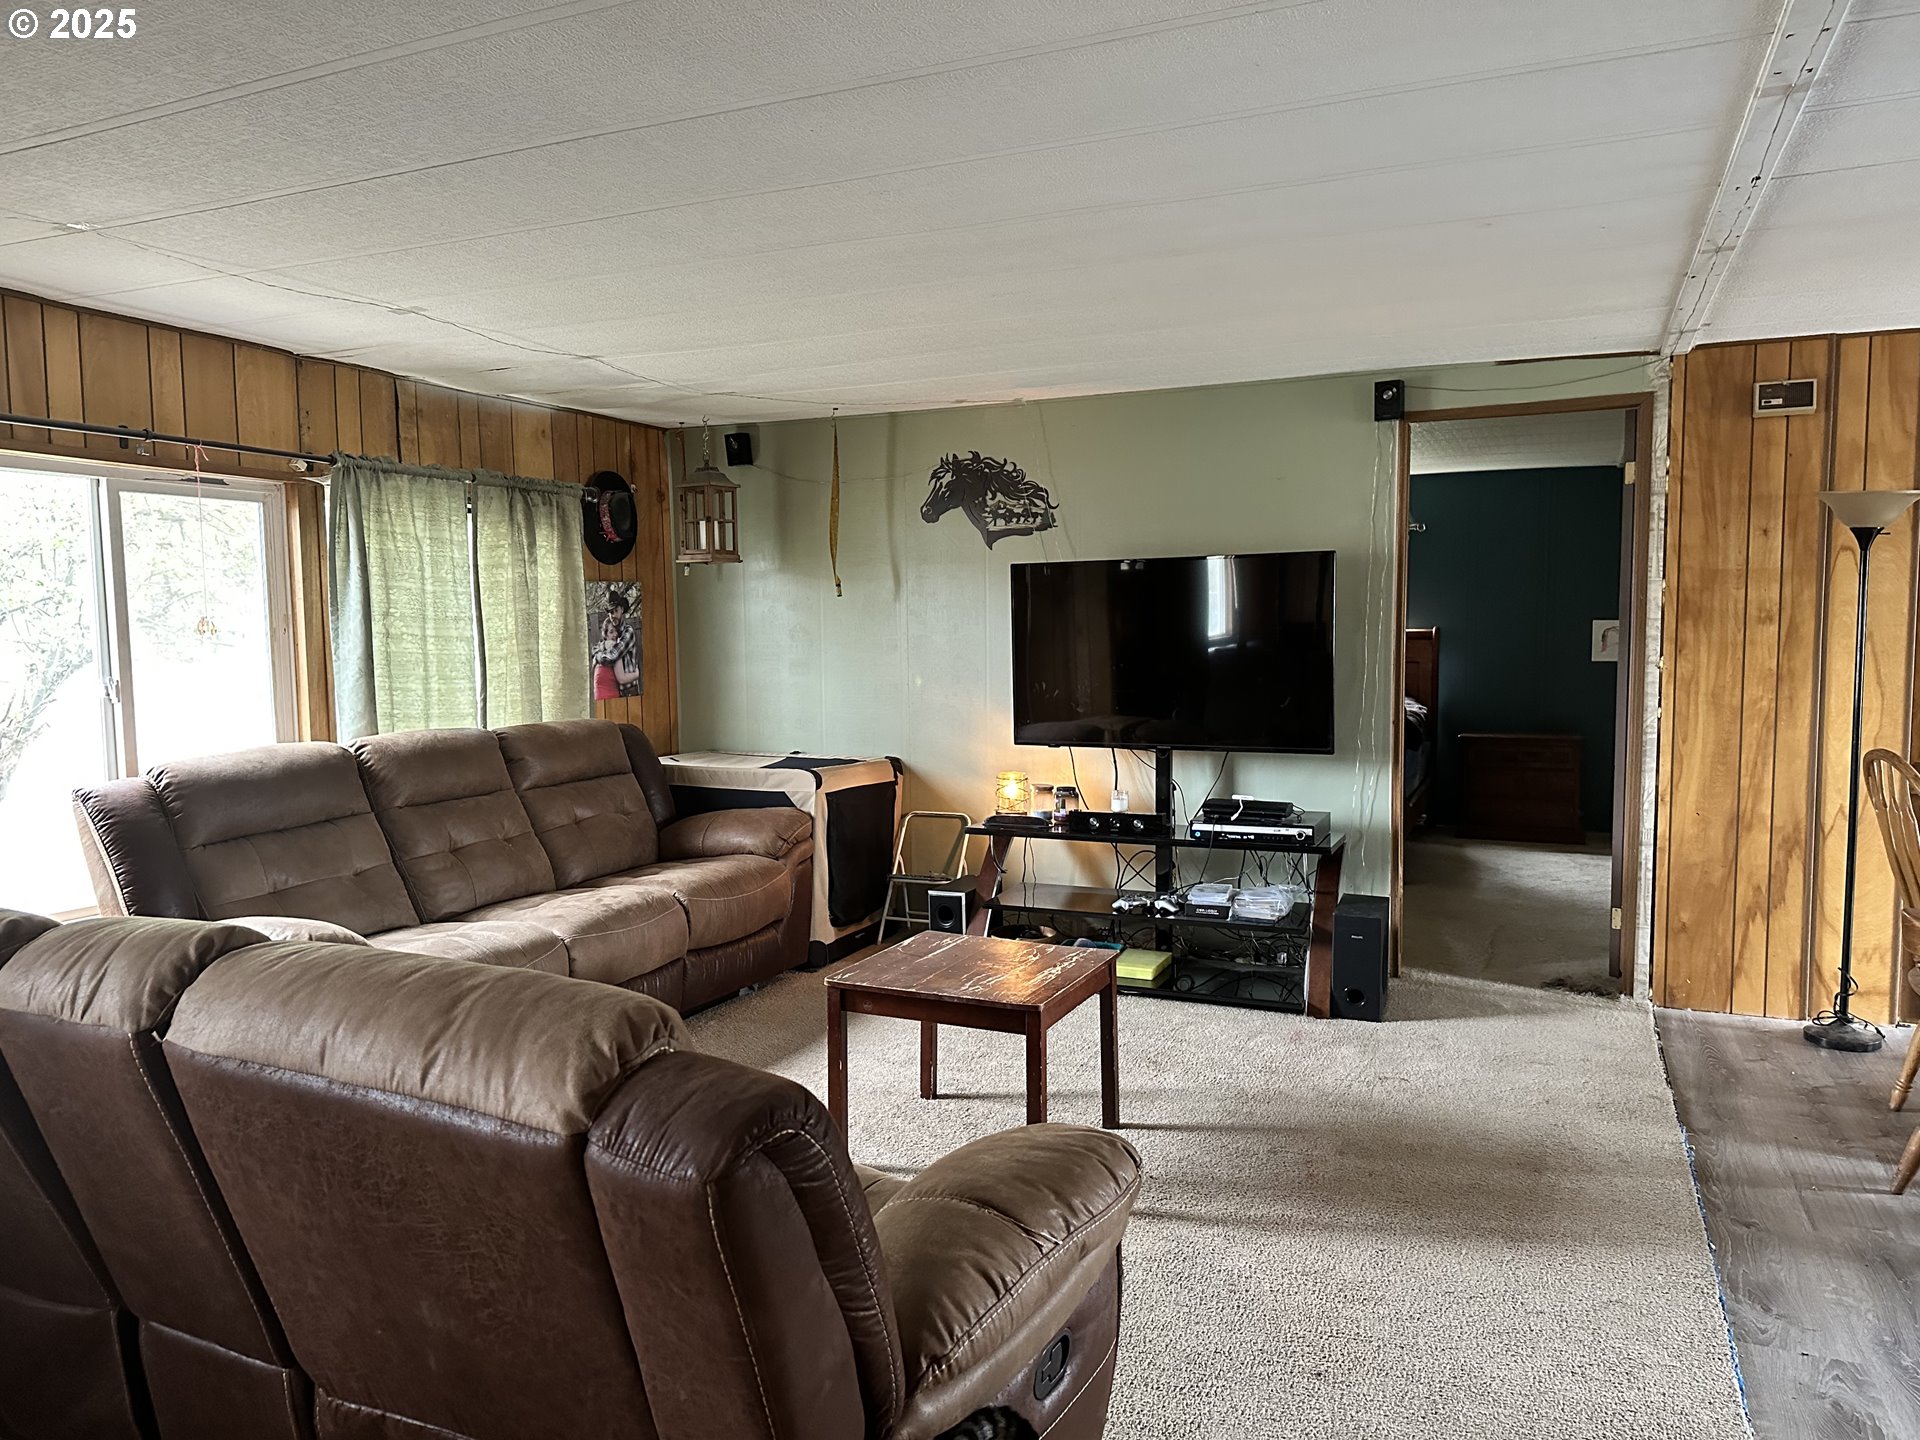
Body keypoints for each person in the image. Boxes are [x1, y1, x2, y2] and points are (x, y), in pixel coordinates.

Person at [591, 588, 640, 699]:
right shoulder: (614, 633)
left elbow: (612, 656)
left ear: (622, 609)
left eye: (615, 611)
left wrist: (597, 656)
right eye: (610, 612)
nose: (612, 615)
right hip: (616, 690)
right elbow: (594, 648)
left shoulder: (628, 632)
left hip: (629, 691)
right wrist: (602, 647)